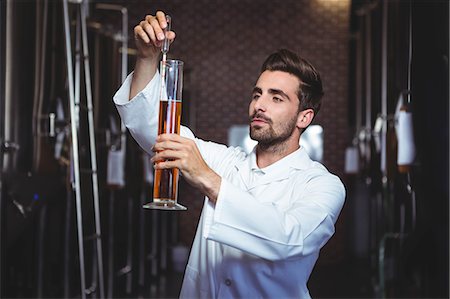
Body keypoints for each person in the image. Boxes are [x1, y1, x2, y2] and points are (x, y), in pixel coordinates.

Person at [113, 11, 345, 299]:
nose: (259, 105)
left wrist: (208, 179)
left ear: (304, 117)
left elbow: (288, 239)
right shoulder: (227, 162)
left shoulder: (322, 185)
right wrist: (147, 58)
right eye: (257, 94)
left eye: (276, 97)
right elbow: (156, 131)